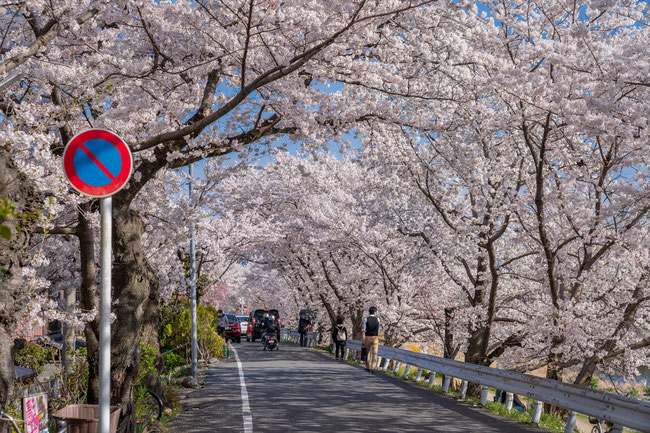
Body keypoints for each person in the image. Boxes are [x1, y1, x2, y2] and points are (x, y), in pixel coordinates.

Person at [361, 306, 380, 373]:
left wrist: (363, 339)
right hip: (375, 337)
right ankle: (373, 368)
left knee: (367, 352)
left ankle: (367, 367)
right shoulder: (378, 319)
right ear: (375, 312)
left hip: (367, 337)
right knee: (375, 353)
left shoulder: (366, 319)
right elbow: (378, 328)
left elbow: (363, 330)